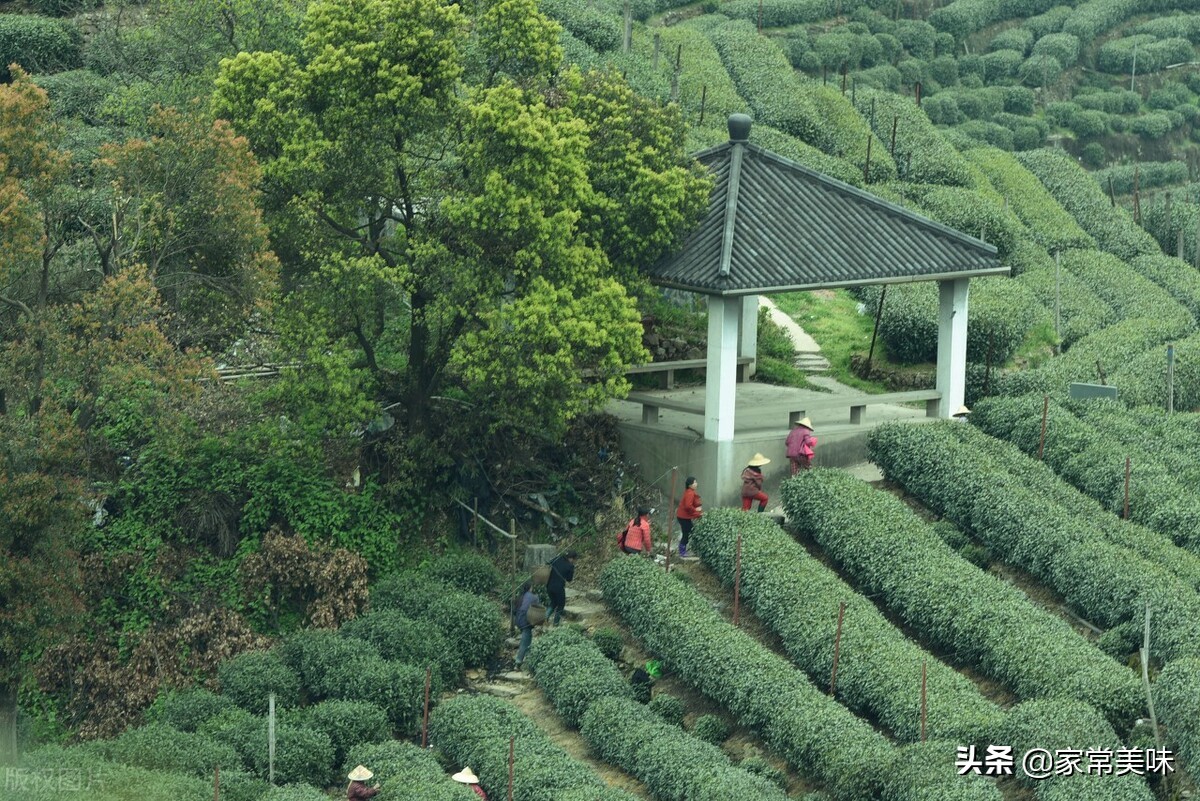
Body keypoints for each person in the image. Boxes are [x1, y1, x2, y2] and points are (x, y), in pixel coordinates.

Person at [513, 580, 542, 669]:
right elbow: (537, 609)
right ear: (530, 588)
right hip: (526, 621)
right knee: (525, 642)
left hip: (518, 621)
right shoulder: (534, 597)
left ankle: (528, 659)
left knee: (528, 639)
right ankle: (518, 662)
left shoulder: (520, 596)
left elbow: (514, 611)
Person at [546, 549, 578, 626]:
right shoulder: (570, 566)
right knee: (561, 605)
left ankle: (545, 618)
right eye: (574, 559)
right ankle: (556, 623)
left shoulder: (558, 558)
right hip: (558, 588)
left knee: (553, 603)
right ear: (571, 558)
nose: (574, 561)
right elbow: (569, 579)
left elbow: (549, 562)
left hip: (549, 586)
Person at [675, 477, 702, 558]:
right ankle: (682, 552)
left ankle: (683, 550)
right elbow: (688, 506)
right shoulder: (690, 493)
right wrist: (696, 511)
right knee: (687, 533)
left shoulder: (689, 492)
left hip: (683, 516)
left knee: (689, 532)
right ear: (690, 485)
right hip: (683, 517)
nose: (696, 484)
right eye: (695, 482)